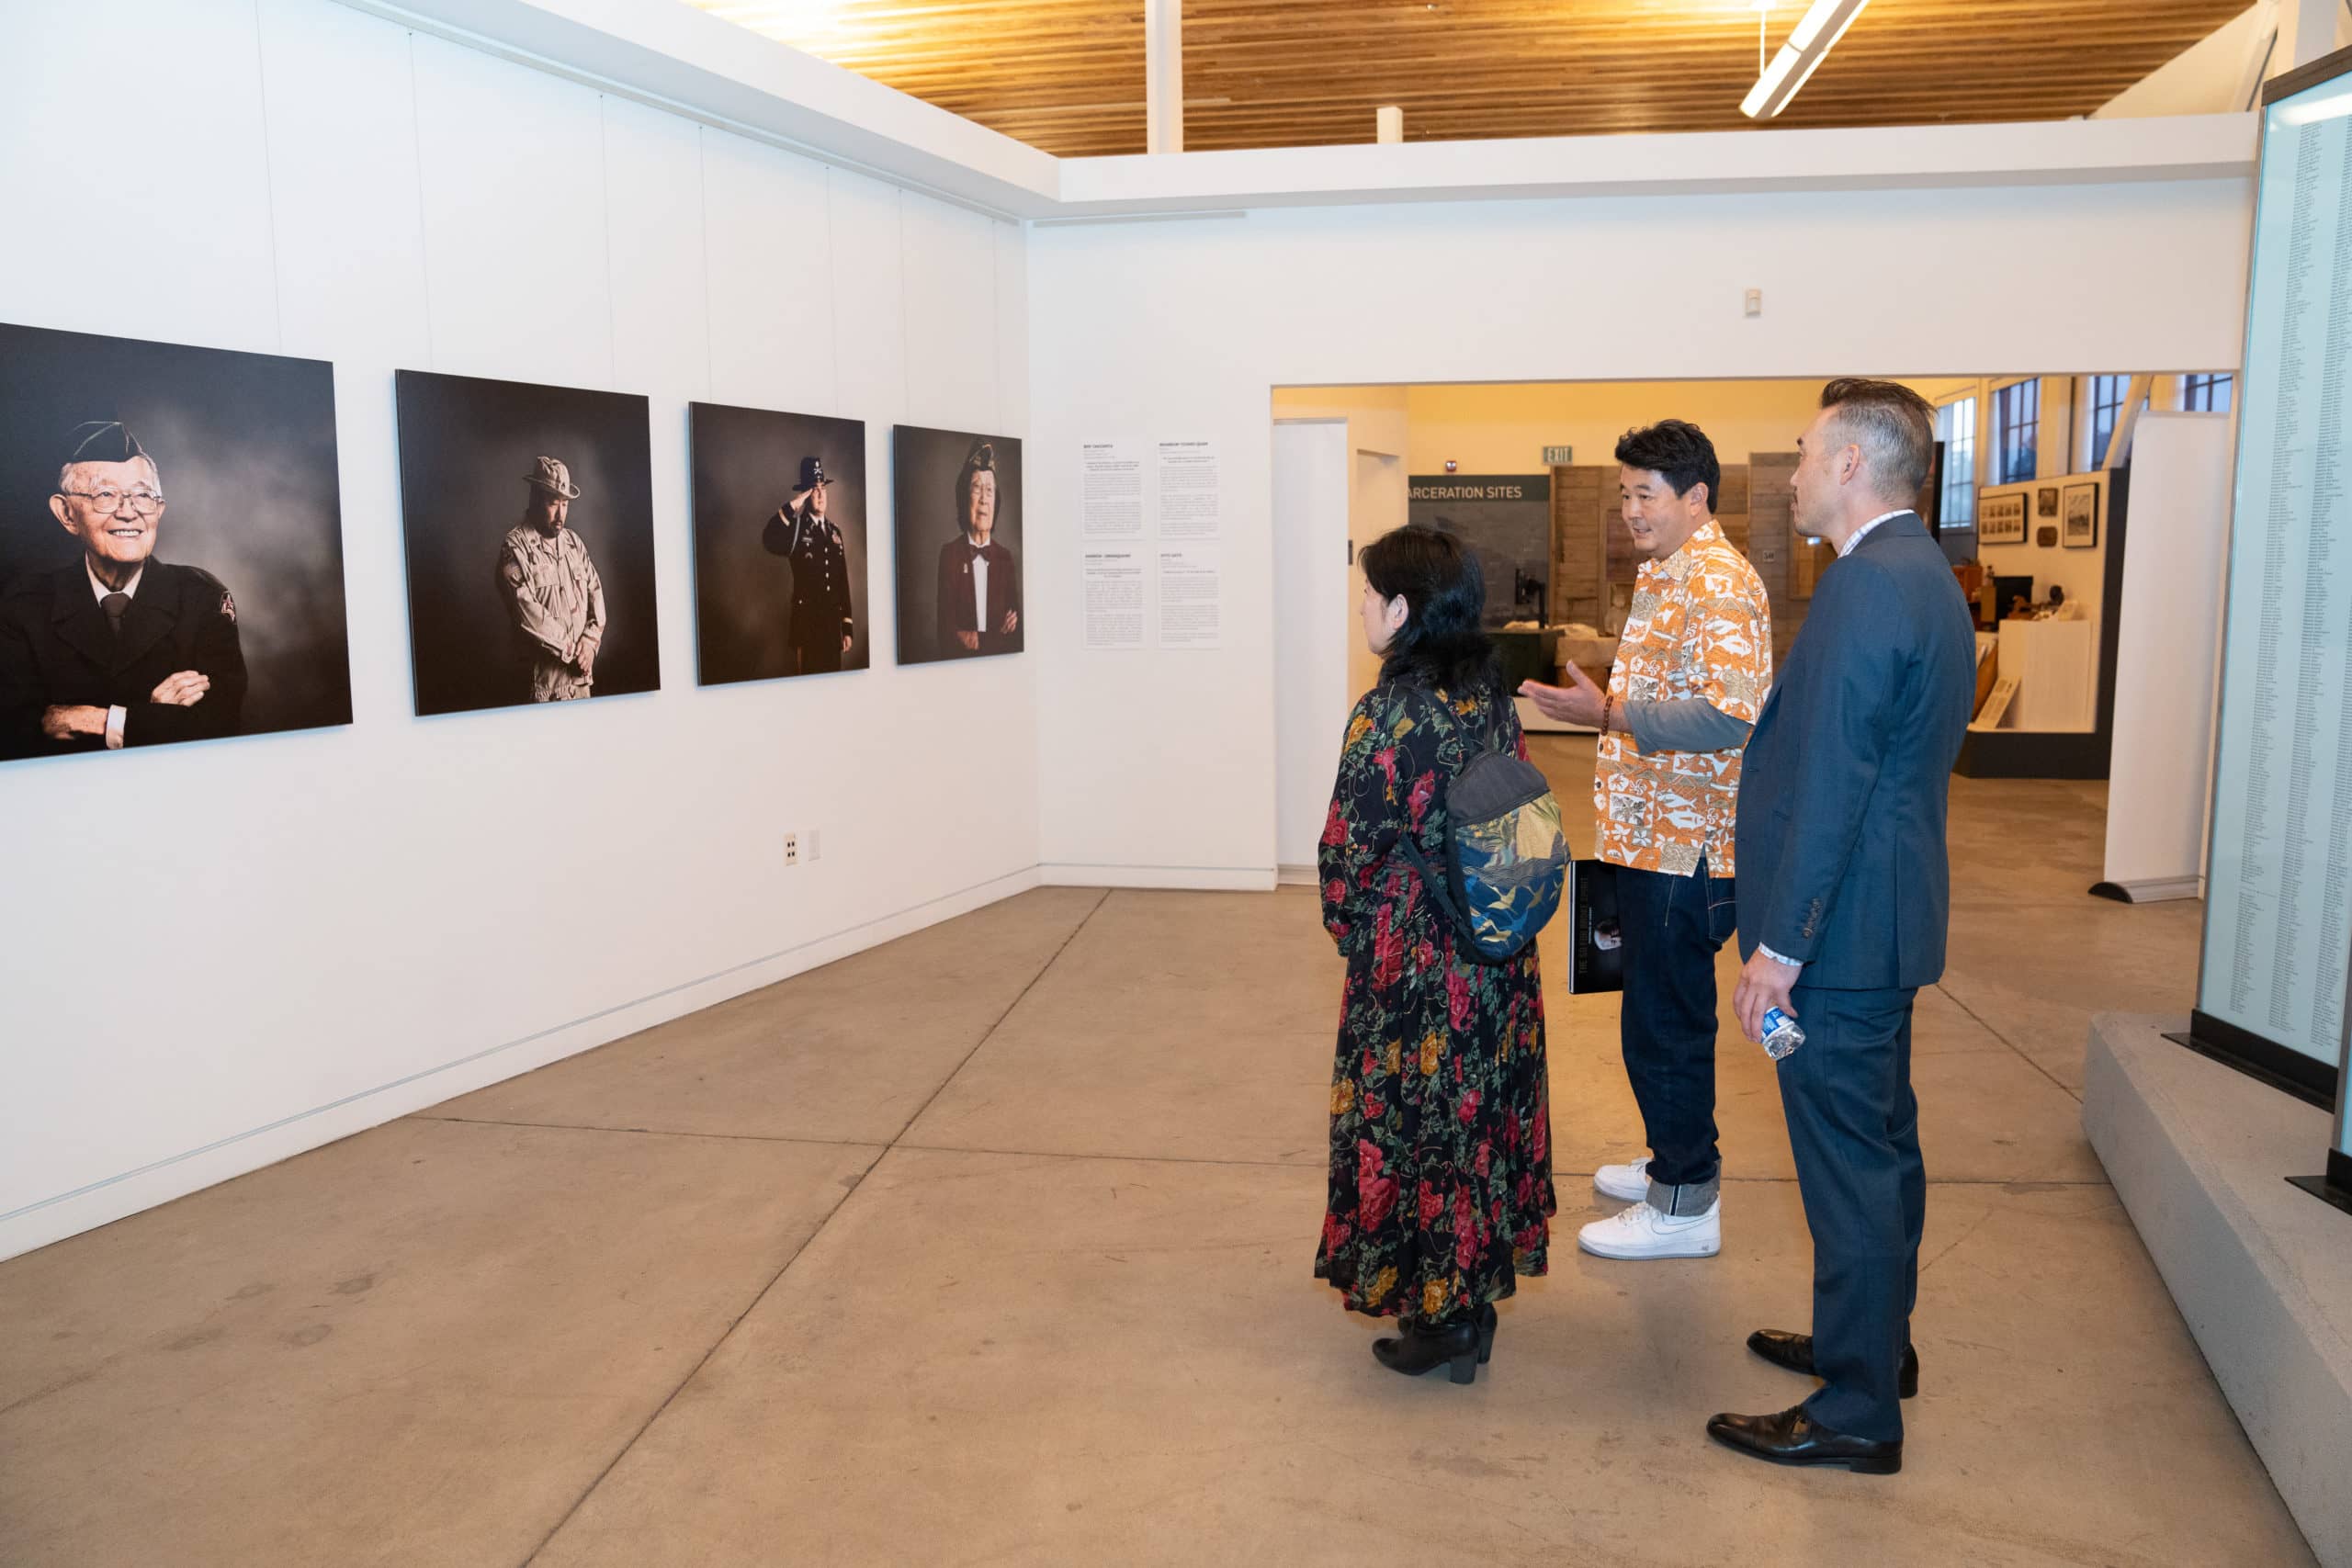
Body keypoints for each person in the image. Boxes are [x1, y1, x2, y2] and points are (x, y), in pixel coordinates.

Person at [1707, 378, 1975, 1475]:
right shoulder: (1921, 576)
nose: (1796, 470)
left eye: (1809, 451)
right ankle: (1872, 1344)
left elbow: (1836, 784)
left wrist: (1781, 946)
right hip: (1884, 922)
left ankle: (1858, 1409)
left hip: (1843, 935)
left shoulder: (1871, 586)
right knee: (1881, 1149)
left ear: (1856, 464)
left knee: (1850, 1169)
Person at [1521, 420, 1773, 1261]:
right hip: (1647, 840)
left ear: (1696, 498)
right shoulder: (1668, 573)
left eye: (1645, 495)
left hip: (1684, 850)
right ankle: (1675, 1158)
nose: (1629, 510)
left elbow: (1736, 714)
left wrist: (1610, 714)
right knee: (1654, 1013)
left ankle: (1685, 1200)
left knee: (1665, 1022)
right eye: (1625, 493)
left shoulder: (1716, 582)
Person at [1315, 525, 1556, 1384]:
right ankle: (1471, 1300)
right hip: (1494, 954)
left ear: (1405, 609)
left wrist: (1360, 938)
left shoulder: (1386, 715)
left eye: (1371, 594)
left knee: (1413, 1125)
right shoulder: (1487, 696)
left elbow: (1346, 852)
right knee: (1477, 1122)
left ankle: (1440, 1318)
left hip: (1414, 966)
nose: (1362, 607)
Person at [0, 421, 245, 760]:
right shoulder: (23, 608)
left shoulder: (201, 597)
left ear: (158, 510)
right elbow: (15, 736)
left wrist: (99, 721)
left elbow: (219, 723)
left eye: (143, 495)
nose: (128, 513)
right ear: (67, 514)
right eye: (105, 495)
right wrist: (155, 713)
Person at [496, 457, 605, 703]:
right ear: (535, 498)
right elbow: (526, 611)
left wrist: (589, 642)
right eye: (553, 503)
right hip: (543, 689)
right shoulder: (515, 547)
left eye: (565, 504)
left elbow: (595, 591)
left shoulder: (573, 543)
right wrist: (573, 652)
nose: (560, 515)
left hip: (581, 683)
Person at [762, 455, 854, 675]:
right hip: (807, 628)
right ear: (805, 494)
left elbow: (842, 581)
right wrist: (794, 505)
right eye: (814, 489)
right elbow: (769, 539)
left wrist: (846, 626)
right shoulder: (797, 530)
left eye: (823, 487)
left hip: (832, 629)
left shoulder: (835, 532)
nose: (821, 494)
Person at [933, 440, 1020, 659]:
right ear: (964, 498)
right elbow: (946, 633)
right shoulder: (950, 555)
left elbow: (1015, 636)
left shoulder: (1005, 558)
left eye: (989, 490)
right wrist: (994, 635)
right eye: (976, 488)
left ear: (996, 502)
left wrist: (979, 639)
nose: (983, 499)